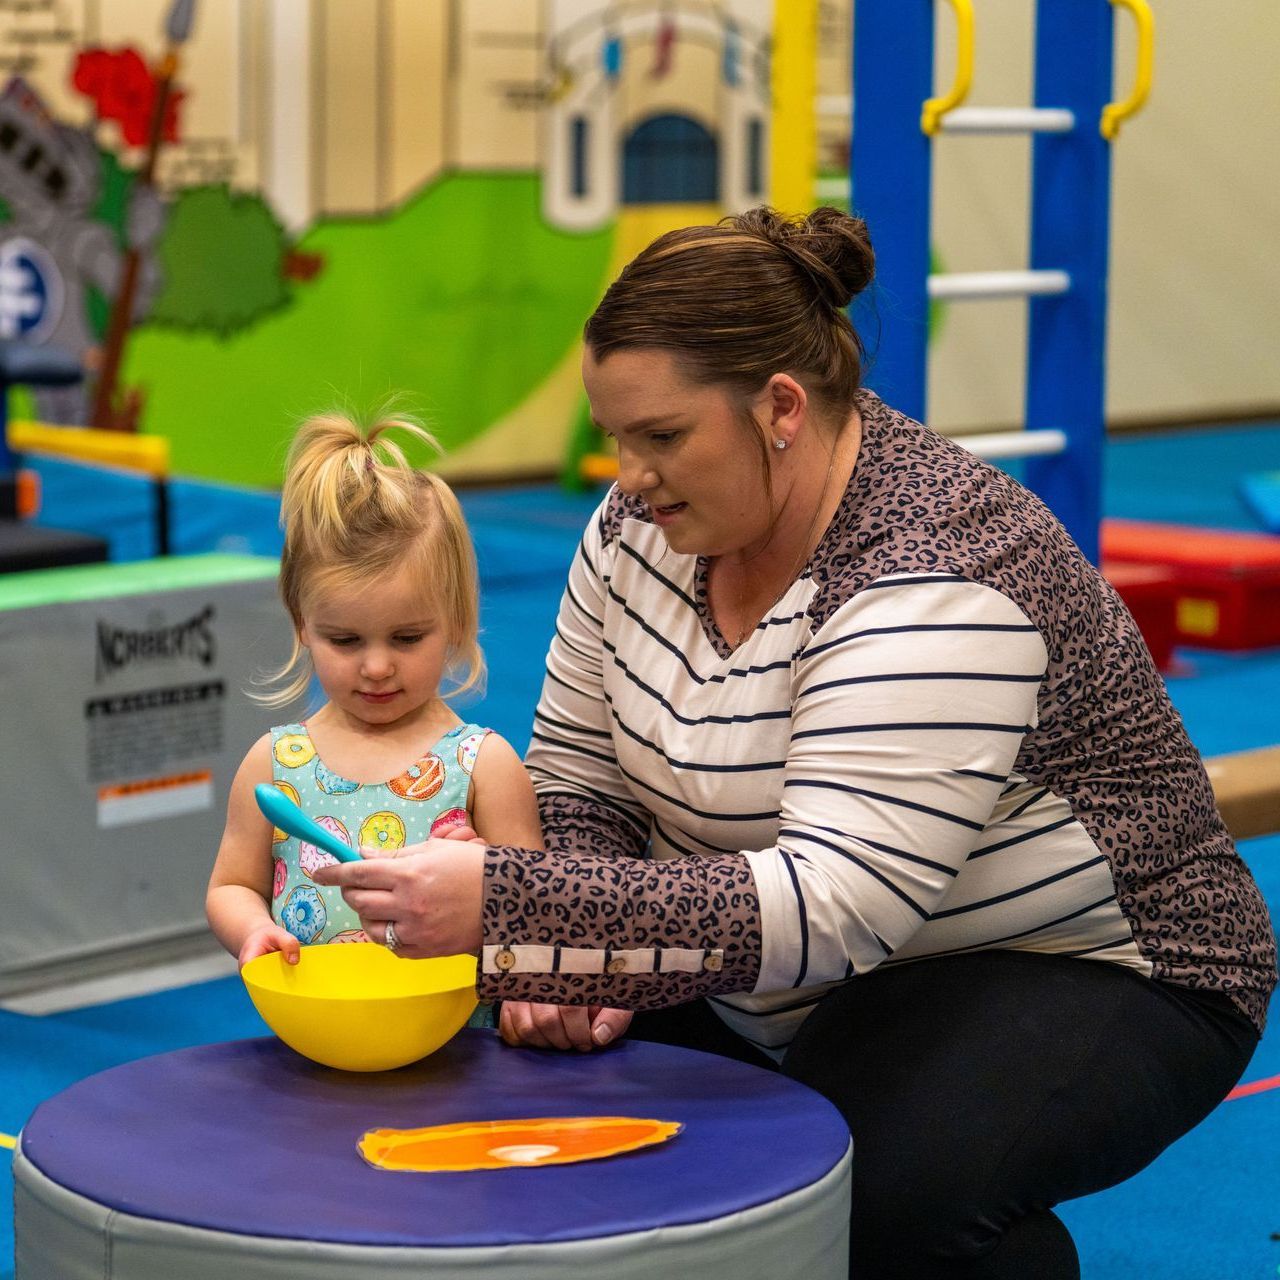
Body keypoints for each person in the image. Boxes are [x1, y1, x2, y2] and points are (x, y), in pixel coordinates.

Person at [311, 208, 1277, 1279]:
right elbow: (584, 775)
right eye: (616, 436)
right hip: (779, 959)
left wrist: (523, 905)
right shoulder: (639, 528)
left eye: (662, 436)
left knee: (863, 1195)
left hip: (1079, 962)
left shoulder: (937, 568)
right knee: (581, 1135)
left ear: (778, 407)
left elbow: (832, 905)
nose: (627, 474)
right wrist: (569, 963)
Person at [206, 411, 542, 1029]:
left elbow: (537, 911)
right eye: (346, 639)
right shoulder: (276, 764)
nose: (378, 666)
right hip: (316, 1043)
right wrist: (253, 931)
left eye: (409, 637)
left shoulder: (483, 765)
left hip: (455, 1051)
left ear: (457, 620)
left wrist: (487, 873)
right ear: (302, 623)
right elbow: (231, 886)